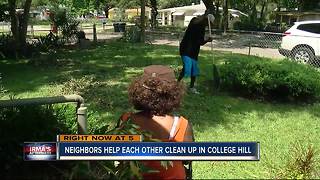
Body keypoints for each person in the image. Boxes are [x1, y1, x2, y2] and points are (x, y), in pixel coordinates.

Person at [119, 65, 194, 179]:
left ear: (138, 91)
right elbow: (187, 158)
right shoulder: (181, 125)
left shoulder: (126, 120)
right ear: (173, 94)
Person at [178, 12, 215, 94]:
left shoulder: (201, 28)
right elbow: (200, 41)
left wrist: (207, 40)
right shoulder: (194, 21)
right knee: (187, 68)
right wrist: (207, 40)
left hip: (193, 50)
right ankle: (177, 85)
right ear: (206, 20)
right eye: (209, 23)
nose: (209, 26)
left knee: (193, 69)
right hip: (186, 48)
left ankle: (190, 87)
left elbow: (199, 42)